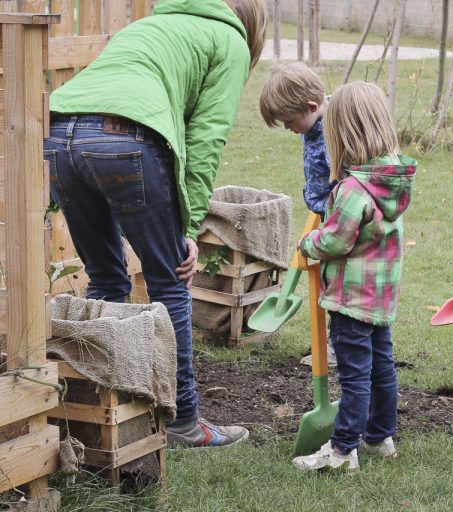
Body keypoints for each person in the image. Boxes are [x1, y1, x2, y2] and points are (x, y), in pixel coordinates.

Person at [43, 0, 267, 448]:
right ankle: (186, 422)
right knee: (171, 281)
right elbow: (207, 135)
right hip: (124, 137)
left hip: (58, 132)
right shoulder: (229, 40)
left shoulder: (155, 24)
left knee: (106, 279)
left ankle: (92, 418)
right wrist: (188, 226)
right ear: (253, 22)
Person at [291, 82, 417, 472]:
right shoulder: (392, 180)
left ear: (341, 134)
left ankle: (342, 450)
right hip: (380, 298)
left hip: (350, 300)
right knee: (382, 367)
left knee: (355, 376)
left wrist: (308, 241)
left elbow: (334, 241)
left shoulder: (352, 189)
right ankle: (381, 436)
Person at [259, 62, 337, 368]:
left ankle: (337, 348)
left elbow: (346, 181)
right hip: (322, 214)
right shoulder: (313, 126)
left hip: (340, 220)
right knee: (330, 284)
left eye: (289, 121)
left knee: (337, 287)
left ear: (311, 107)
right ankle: (335, 344)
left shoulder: (333, 134)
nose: (289, 129)